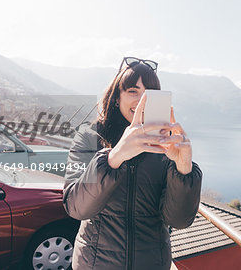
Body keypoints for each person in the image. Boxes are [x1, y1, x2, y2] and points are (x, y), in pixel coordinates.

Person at [63, 57, 202, 270]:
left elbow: (179, 220)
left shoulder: (167, 146)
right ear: (117, 98)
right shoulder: (89, 136)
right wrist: (114, 157)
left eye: (150, 94)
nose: (142, 101)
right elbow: (76, 207)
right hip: (94, 264)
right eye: (133, 91)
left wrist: (184, 169)